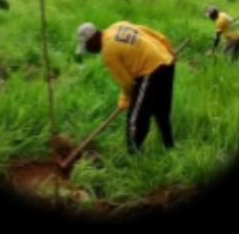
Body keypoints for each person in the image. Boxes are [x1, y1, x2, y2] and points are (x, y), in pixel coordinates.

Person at [75, 21, 176, 153]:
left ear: (93, 39)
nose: (89, 51)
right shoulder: (117, 25)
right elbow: (149, 31)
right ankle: (169, 146)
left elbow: (128, 83)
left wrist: (126, 99)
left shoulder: (108, 52)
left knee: (136, 118)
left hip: (151, 72)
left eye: (87, 46)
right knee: (161, 110)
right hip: (167, 62)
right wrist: (167, 47)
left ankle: (134, 155)